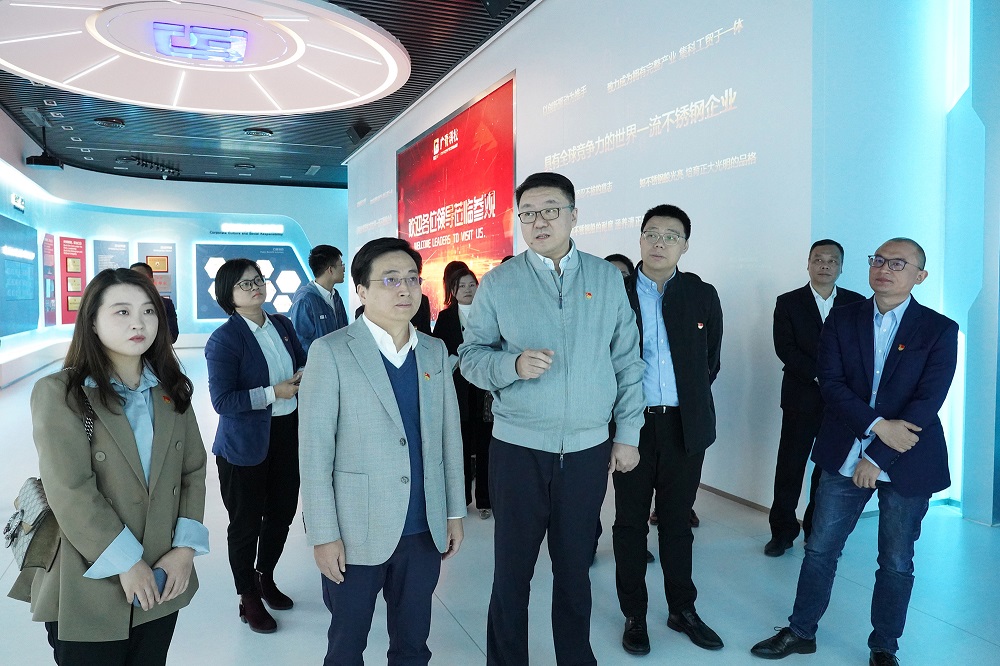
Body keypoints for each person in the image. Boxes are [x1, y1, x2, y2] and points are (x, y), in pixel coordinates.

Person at [459, 172, 645, 665]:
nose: (539, 221)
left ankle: (575, 657)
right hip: (517, 448)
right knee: (512, 571)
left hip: (586, 449)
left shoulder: (606, 279)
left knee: (574, 569)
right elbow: (470, 357)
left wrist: (628, 433)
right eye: (528, 214)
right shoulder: (500, 283)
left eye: (550, 210)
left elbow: (628, 361)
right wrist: (511, 366)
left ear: (573, 215)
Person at [751, 238, 958, 666]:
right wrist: (878, 428)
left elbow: (927, 401)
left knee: (896, 561)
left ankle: (884, 646)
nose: (884, 268)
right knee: (820, 549)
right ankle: (801, 631)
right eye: (878, 260)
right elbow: (831, 384)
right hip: (846, 449)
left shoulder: (939, 329)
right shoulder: (843, 319)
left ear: (920, 276)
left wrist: (877, 456)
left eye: (898, 263)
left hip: (907, 459)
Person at [9, 268, 208, 665]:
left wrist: (184, 549)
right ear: (93, 322)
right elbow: (71, 490)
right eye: (121, 311)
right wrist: (126, 562)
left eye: (148, 311)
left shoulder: (170, 389)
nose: (139, 323)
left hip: (161, 573)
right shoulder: (61, 393)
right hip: (89, 574)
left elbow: (193, 472)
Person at [299, 237, 465, 665]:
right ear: (361, 290)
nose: (405, 289)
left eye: (412, 278)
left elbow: (449, 438)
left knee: (413, 645)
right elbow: (314, 455)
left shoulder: (434, 351)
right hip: (355, 531)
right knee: (347, 645)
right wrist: (323, 535)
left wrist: (453, 512)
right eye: (390, 280)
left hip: (422, 527)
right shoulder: (331, 352)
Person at [613, 204, 724, 656]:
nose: (660, 243)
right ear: (640, 239)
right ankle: (634, 614)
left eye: (671, 236)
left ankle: (682, 609)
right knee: (630, 524)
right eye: (652, 233)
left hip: (684, 426)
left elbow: (709, 362)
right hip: (632, 426)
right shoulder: (616, 292)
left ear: (685, 245)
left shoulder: (701, 294)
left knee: (677, 522)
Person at [205, 258, 307, 634]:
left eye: (258, 280)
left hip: (287, 434)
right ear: (228, 294)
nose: (256, 287)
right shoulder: (224, 339)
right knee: (245, 524)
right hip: (244, 446)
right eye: (245, 284)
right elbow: (222, 401)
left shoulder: (282, 324)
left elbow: (301, 362)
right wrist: (272, 392)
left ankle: (265, 576)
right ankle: (247, 596)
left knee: (281, 513)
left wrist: (303, 375)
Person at [765, 240, 865, 557]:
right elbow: (785, 349)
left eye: (832, 261)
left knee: (826, 469)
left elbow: (860, 349)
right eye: (818, 259)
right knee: (790, 467)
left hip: (840, 403)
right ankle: (782, 532)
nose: (825, 265)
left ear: (841, 267)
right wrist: (823, 376)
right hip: (801, 397)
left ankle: (815, 531)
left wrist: (839, 383)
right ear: (808, 264)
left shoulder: (856, 302)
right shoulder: (788, 302)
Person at [432, 266, 493, 519]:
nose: (468, 290)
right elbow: (438, 351)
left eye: (472, 285)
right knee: (460, 448)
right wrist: (456, 359)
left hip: (485, 389)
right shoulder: (446, 317)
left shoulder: (487, 313)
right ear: (453, 291)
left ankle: (485, 500)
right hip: (458, 391)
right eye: (461, 286)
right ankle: (461, 499)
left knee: (486, 446)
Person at [288, 244, 349, 355]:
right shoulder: (305, 300)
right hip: (318, 363)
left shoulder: (336, 296)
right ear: (330, 270)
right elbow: (301, 343)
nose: (344, 268)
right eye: (341, 264)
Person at [130, 262, 179, 343]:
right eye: (132, 277)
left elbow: (172, 336)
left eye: (140, 276)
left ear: (151, 280)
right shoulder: (123, 304)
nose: (135, 280)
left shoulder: (165, 304)